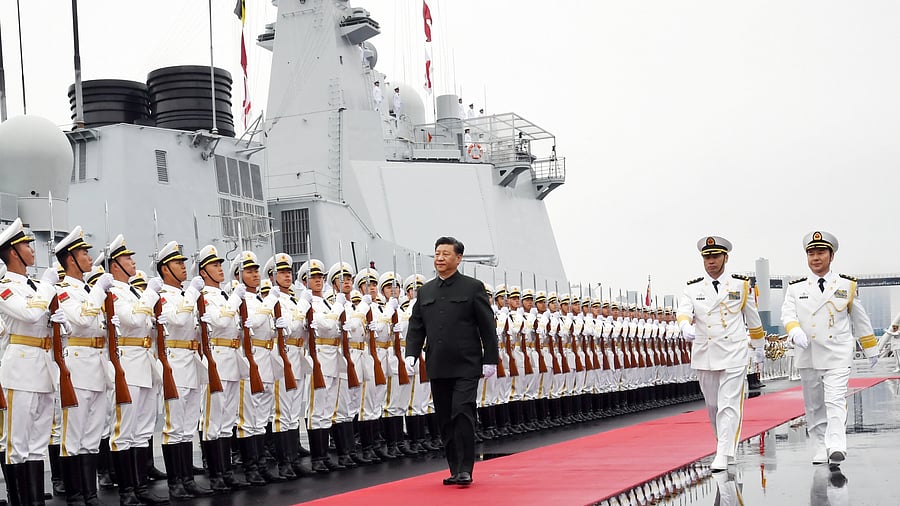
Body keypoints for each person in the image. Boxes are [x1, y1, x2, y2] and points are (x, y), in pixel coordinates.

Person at [404, 237, 497, 487]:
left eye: (446, 254)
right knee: (445, 417)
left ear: (458, 258)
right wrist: (411, 352)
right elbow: (417, 324)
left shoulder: (473, 287)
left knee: (462, 412)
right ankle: (455, 468)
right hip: (438, 364)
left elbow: (488, 326)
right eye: (437, 253)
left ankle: (466, 469)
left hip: (466, 364)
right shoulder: (426, 291)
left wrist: (490, 359)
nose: (440, 258)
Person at [781, 231, 878, 466]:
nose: (816, 258)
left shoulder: (846, 285)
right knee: (814, 404)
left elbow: (860, 318)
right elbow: (787, 314)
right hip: (808, 352)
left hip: (837, 352)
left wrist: (871, 348)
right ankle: (818, 445)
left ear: (831, 256)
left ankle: (836, 444)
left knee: (835, 400)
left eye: (821, 253)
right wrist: (794, 331)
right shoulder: (796, 288)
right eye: (811, 253)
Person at [676, 236, 766, 472]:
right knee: (713, 406)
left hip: (734, 351)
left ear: (725, 257)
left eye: (715, 256)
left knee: (729, 405)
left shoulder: (740, 286)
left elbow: (753, 319)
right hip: (705, 352)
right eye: (707, 257)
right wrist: (684, 325)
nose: (711, 261)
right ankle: (725, 445)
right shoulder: (693, 288)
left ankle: (723, 452)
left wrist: (758, 347)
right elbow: (683, 311)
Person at [0, 218, 61, 505]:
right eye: (25, 244)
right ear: (13, 252)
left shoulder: (36, 286)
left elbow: (47, 321)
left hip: (43, 367)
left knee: (37, 444)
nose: (31, 248)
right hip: (20, 370)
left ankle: (35, 501)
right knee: (16, 445)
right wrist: (48, 288)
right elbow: (29, 314)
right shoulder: (5, 288)